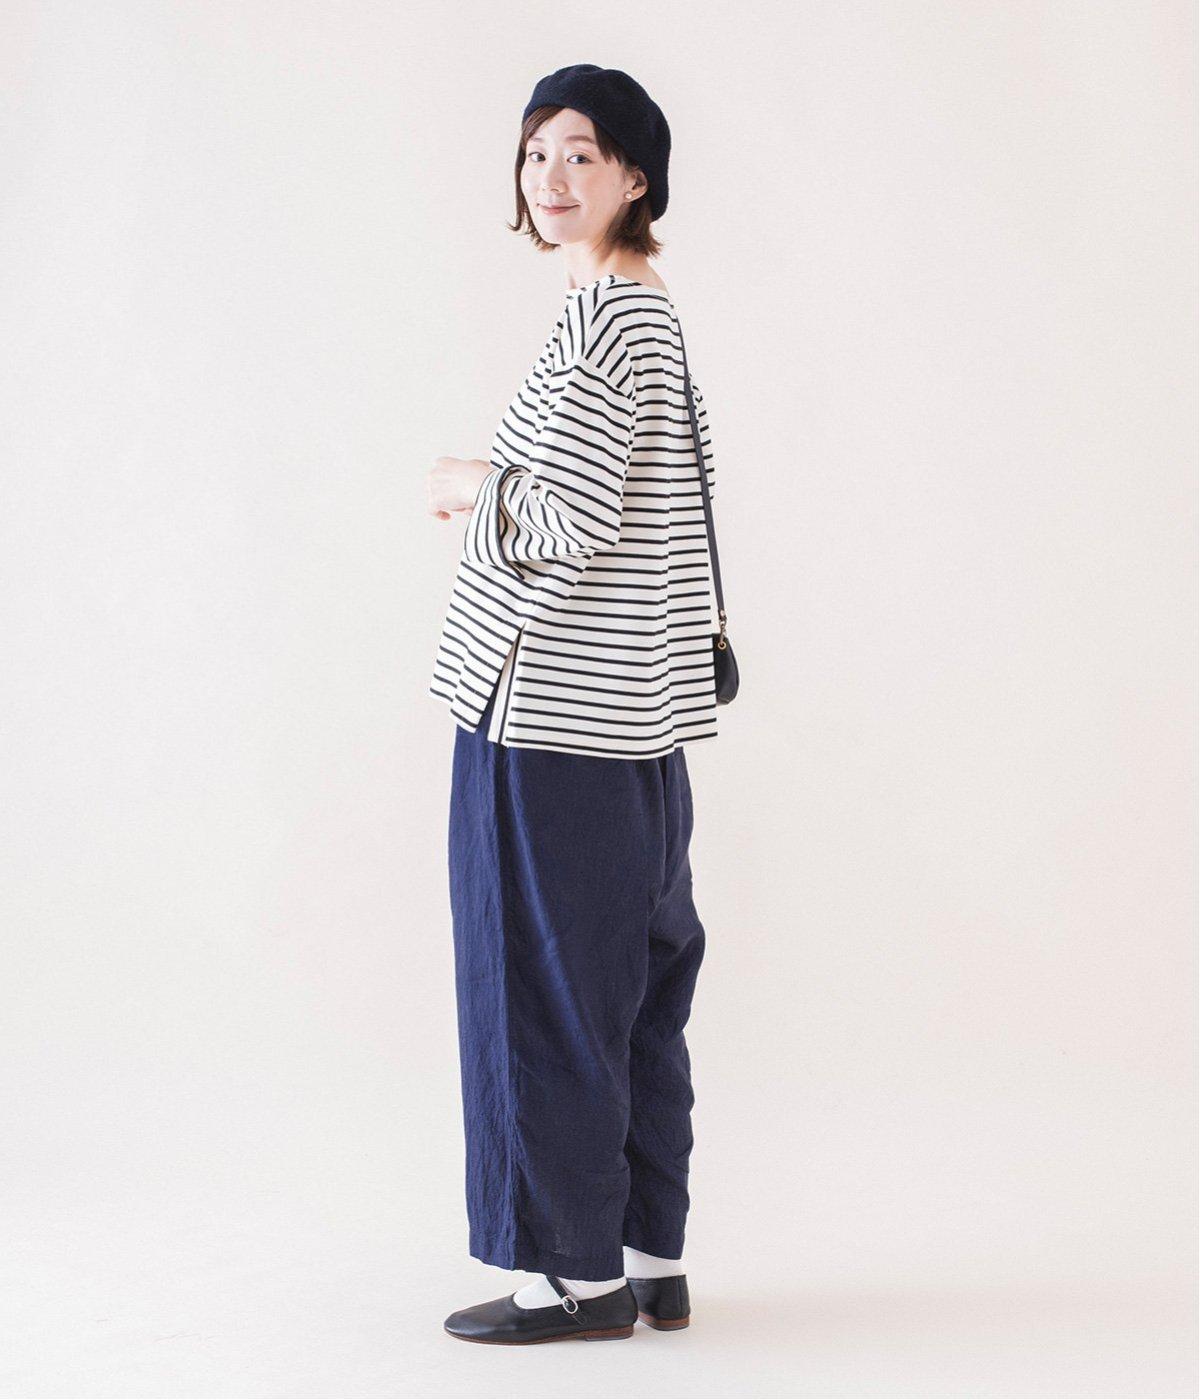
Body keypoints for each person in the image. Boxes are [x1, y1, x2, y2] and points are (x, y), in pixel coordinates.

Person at [426, 64, 718, 1345]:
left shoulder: (606, 321)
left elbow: (569, 517)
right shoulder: (648, 315)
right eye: (537, 150)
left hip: (547, 719)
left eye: (582, 154)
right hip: (633, 722)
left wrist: (466, 481)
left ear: (635, 177)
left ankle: (571, 1276)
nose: (550, 176)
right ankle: (651, 1256)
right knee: (635, 994)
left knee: (542, 995)